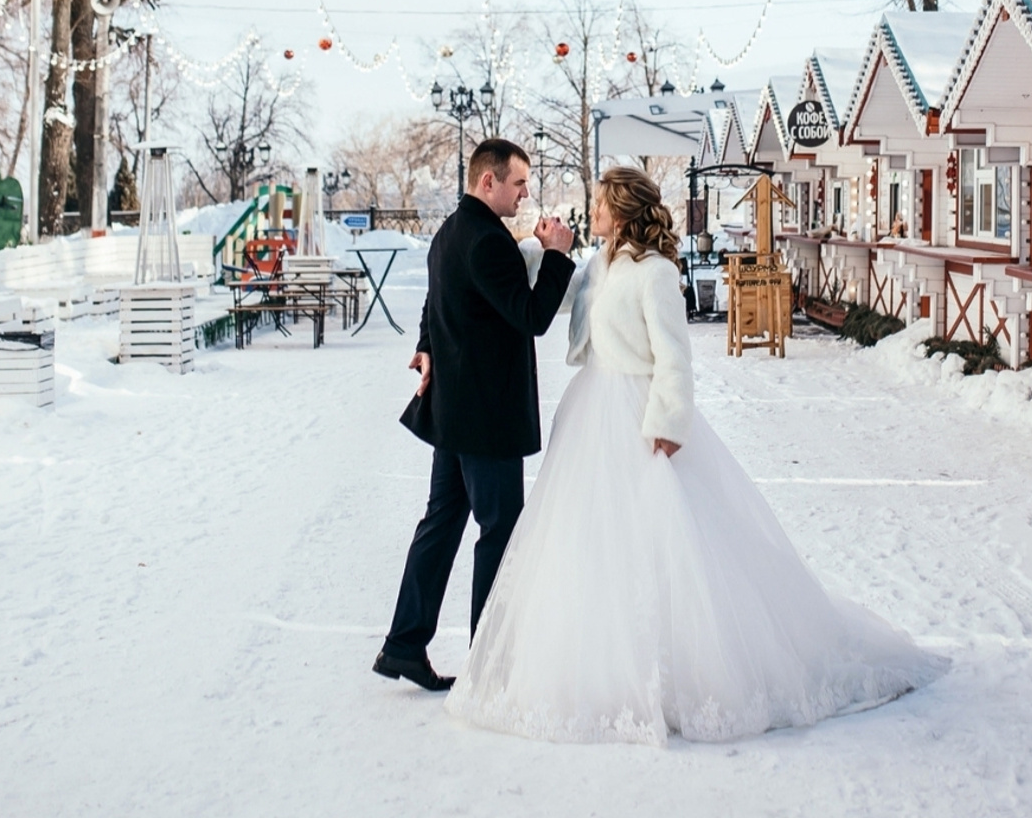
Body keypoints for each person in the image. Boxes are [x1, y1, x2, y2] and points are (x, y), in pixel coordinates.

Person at [445, 166, 944, 744]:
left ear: (624, 210)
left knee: (663, 540)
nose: (594, 210)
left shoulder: (656, 273)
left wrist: (668, 423)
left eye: (602, 202)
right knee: (590, 540)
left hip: (637, 411)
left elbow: (674, 358)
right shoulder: (596, 265)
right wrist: (536, 249)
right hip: (590, 412)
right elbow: (549, 309)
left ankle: (678, 669)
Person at [373, 139, 575, 692]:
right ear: (489, 182)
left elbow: (437, 300)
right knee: (500, 531)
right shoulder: (486, 241)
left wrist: (425, 343)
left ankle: (404, 645)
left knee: (440, 526)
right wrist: (556, 253)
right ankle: (488, 662)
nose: (525, 193)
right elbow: (532, 316)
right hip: (485, 418)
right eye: (518, 183)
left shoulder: (451, 233)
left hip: (457, 412)